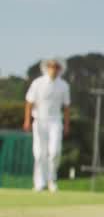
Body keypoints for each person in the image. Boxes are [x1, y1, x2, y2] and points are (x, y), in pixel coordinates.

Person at [23, 58, 70, 193]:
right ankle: (39, 183)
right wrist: (27, 120)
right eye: (51, 67)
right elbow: (29, 102)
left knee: (55, 152)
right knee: (39, 154)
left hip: (55, 121)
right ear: (47, 68)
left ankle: (52, 180)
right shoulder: (37, 83)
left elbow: (66, 107)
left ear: (59, 69)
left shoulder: (64, 85)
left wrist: (67, 124)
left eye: (56, 67)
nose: (53, 70)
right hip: (39, 120)